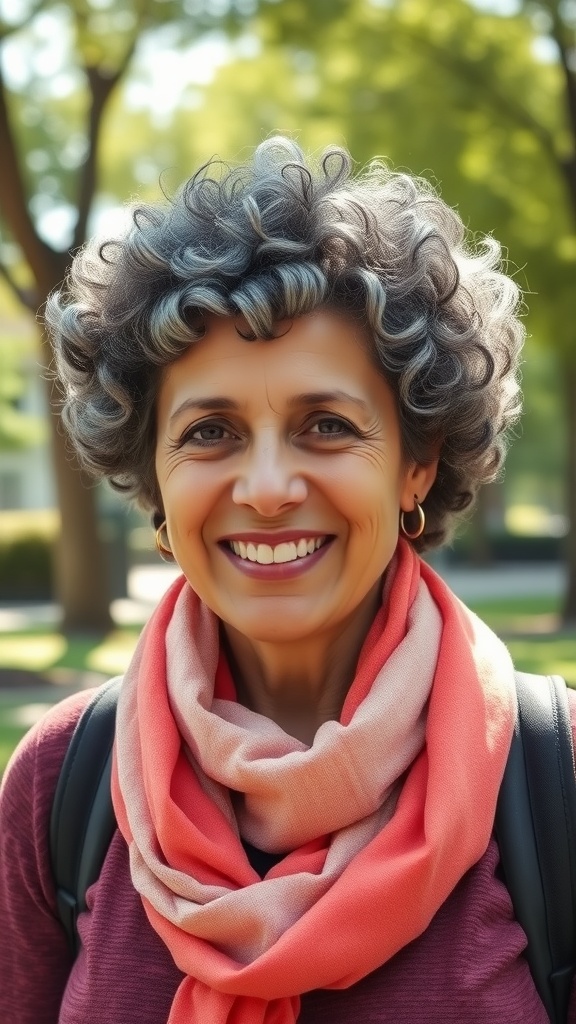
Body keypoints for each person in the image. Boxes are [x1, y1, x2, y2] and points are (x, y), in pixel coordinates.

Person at [0, 136, 564, 1023]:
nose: (266, 490)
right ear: (154, 478)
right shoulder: (59, 786)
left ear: (417, 464)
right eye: (210, 432)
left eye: (328, 426)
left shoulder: (554, 781)